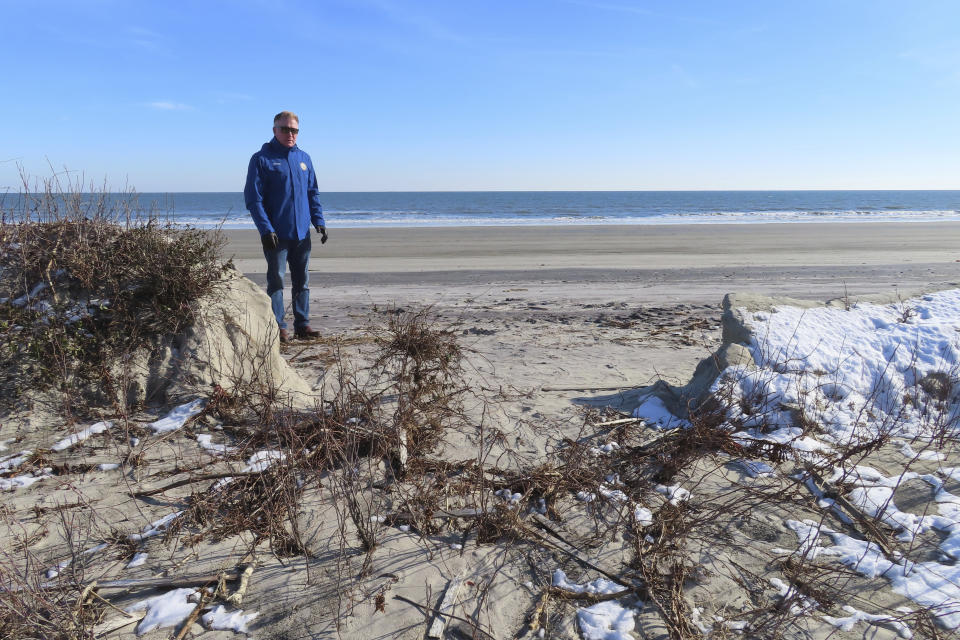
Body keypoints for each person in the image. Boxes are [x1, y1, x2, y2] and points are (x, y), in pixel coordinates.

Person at [244, 111, 328, 342]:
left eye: (294, 130)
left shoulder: (304, 158)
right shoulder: (262, 159)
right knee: (277, 280)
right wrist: (265, 229)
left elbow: (313, 193)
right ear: (275, 130)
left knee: (302, 280)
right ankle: (279, 326)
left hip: (302, 233)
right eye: (285, 129)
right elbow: (253, 198)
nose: (290, 134)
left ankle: (302, 324)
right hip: (276, 235)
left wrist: (318, 221)